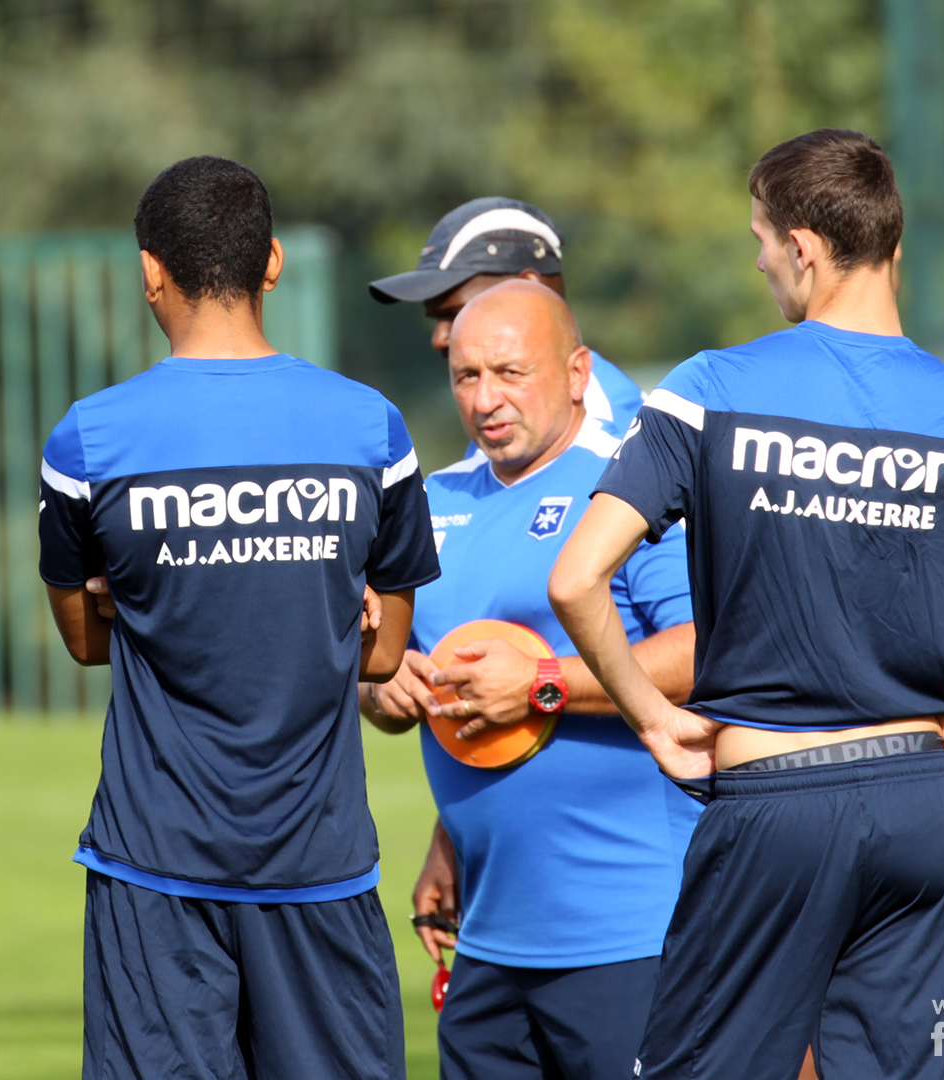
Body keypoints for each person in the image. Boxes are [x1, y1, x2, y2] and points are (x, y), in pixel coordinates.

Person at [549, 129, 944, 1079]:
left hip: (772, 809)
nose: (755, 259)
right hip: (924, 807)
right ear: (894, 250)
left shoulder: (710, 389)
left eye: (758, 236)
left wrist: (655, 718)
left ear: (804, 249)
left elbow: (576, 578)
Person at [38, 156, 440, 1080]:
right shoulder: (371, 427)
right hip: (321, 863)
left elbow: (84, 641)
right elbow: (384, 654)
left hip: (155, 870)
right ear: (274, 264)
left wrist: (144, 603)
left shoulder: (90, 440)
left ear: (150, 271)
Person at [361, 279, 698, 1080]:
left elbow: (705, 656)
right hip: (485, 940)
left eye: (511, 373)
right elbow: (374, 680)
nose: (485, 399)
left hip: (631, 936)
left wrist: (543, 681)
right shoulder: (430, 503)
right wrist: (386, 688)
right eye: (467, 376)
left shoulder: (631, 489)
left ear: (579, 372)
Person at [369, 197, 645, 436]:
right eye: (435, 319)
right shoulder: (505, 420)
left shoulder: (618, 435)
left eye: (456, 313)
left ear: (531, 289)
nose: (439, 338)